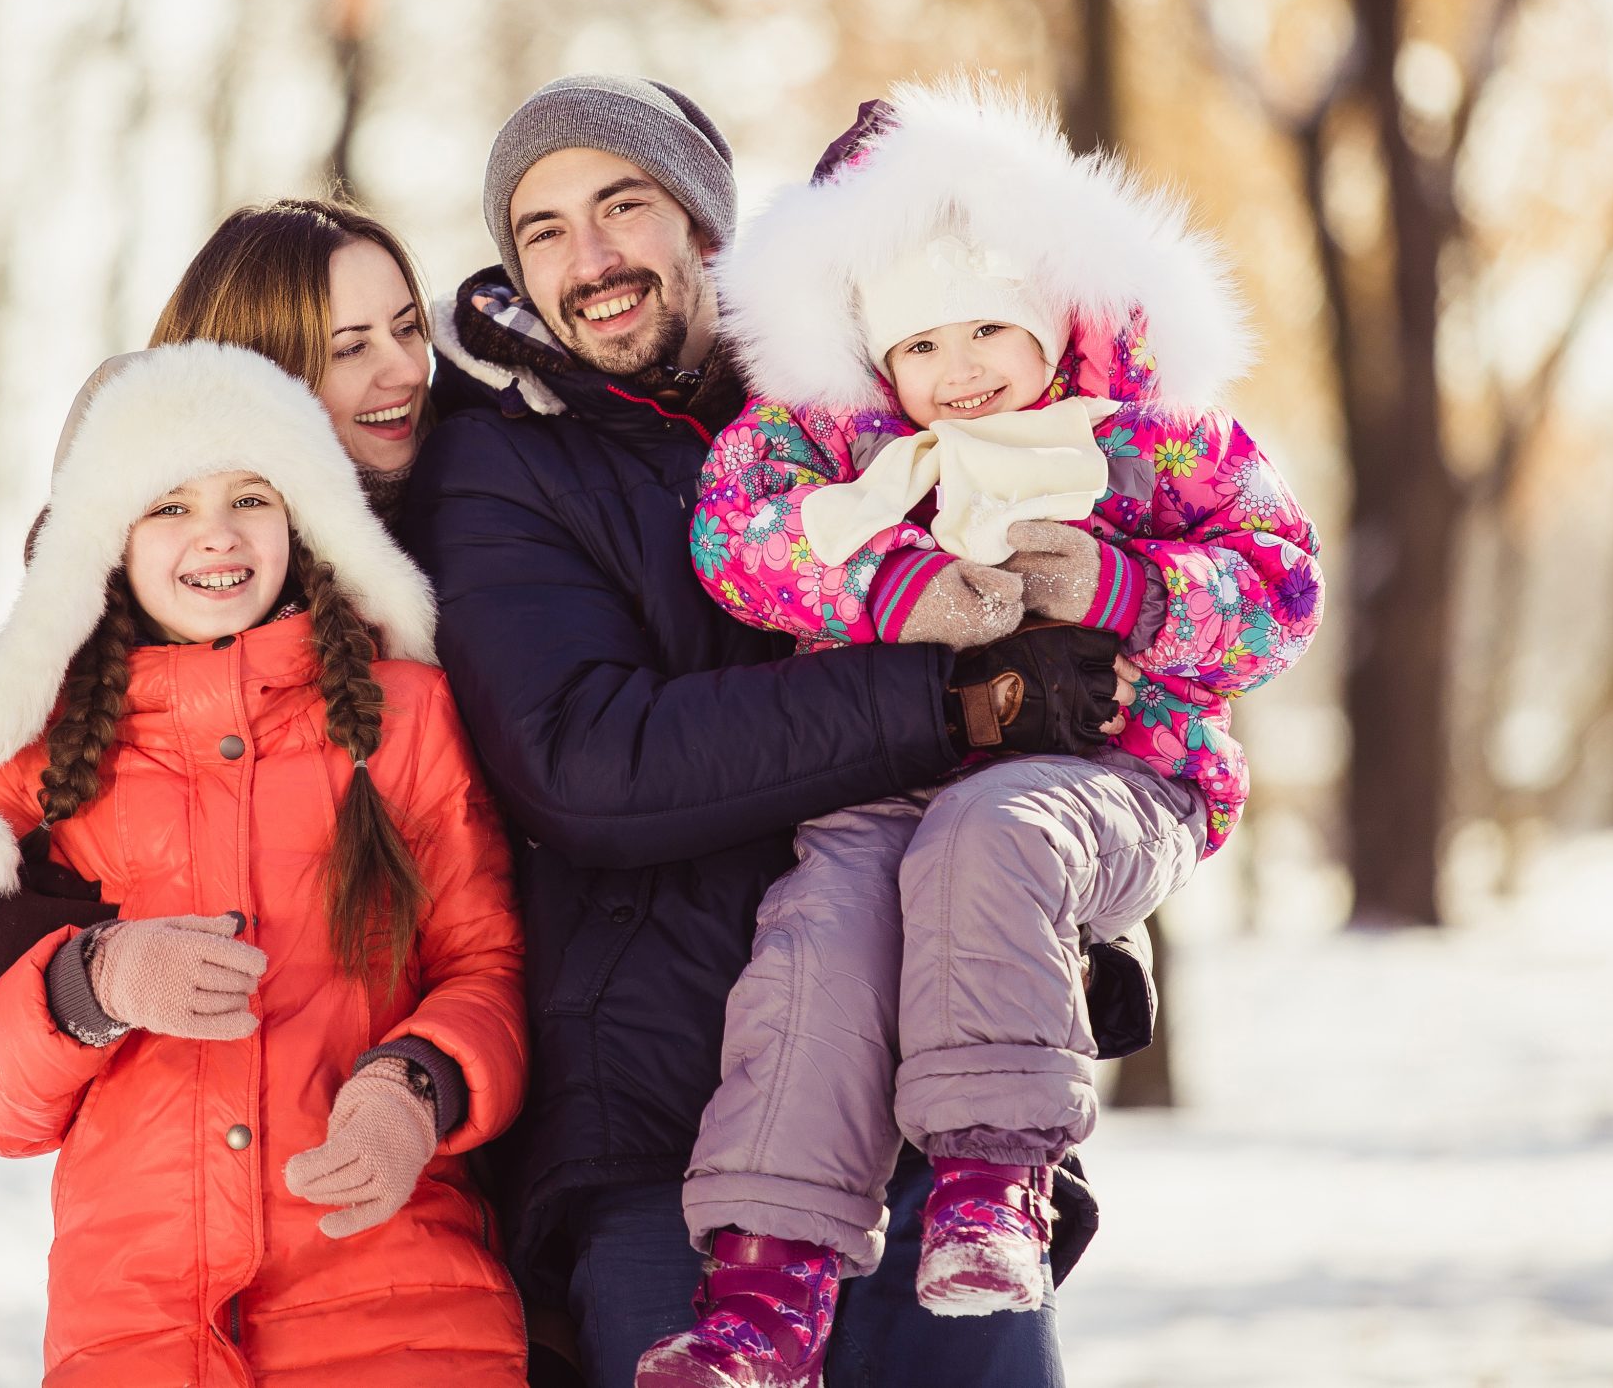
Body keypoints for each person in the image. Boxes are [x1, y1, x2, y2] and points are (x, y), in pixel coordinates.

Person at [403, 75, 1133, 1387]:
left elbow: (1074, 651)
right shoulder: (509, 470)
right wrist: (950, 702)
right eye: (545, 229)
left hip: (915, 1127)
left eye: (625, 205)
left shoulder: (877, 400)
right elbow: (591, 760)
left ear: (707, 225)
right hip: (660, 1151)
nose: (593, 258)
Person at [632, 83, 1324, 1383]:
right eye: (923, 347)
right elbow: (738, 530)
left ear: (1053, 317)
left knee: (990, 830)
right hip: (891, 772)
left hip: (1111, 774)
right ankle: (764, 1292)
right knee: (818, 930)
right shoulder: (843, 452)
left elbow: (1280, 584)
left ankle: (996, 1180)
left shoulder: (1147, 442)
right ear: (876, 359)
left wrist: (1124, 590)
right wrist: (892, 589)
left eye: (988, 332)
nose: (961, 373)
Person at [0, 339, 527, 1386]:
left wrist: (414, 1085)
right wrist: (91, 977)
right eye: (169, 504)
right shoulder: (40, 758)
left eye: (252, 494)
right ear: (106, 540)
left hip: (401, 1314)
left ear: (302, 518)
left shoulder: (402, 715)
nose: (218, 533)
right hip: (139, 1334)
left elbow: (491, 970)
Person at [0, 198, 435, 990]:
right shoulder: (158, 578)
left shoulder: (482, 490)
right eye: (351, 347)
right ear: (256, 377)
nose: (403, 369)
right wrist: (89, 961)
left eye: (409, 328)